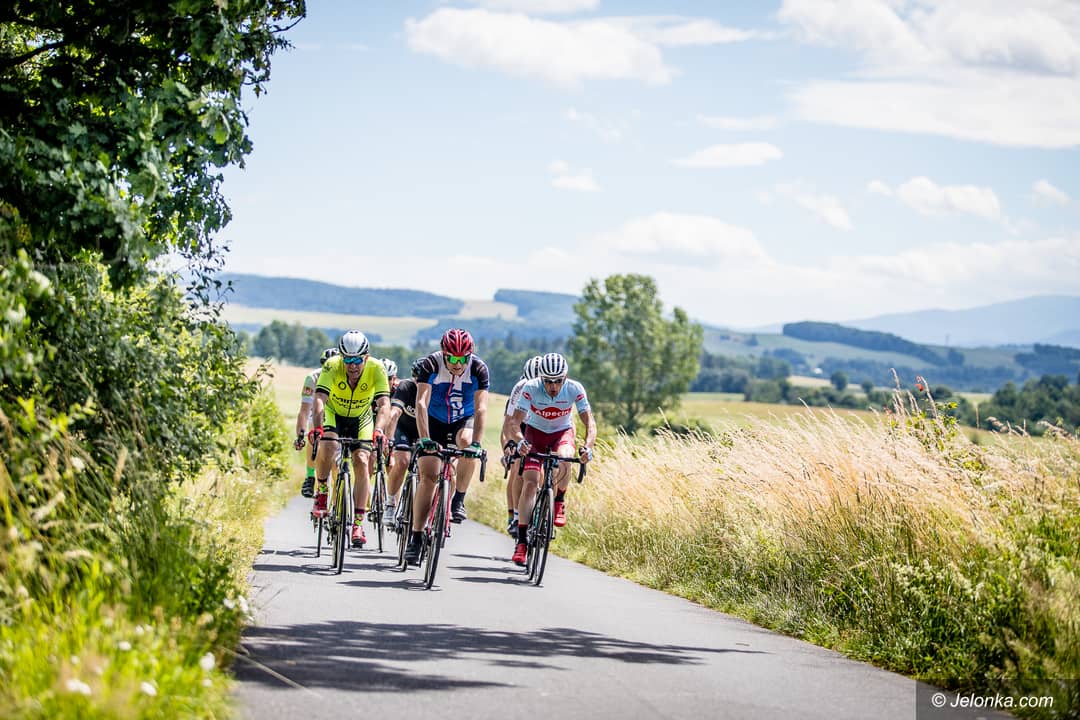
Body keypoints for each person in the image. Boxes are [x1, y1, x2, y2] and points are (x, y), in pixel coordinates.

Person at [403, 328, 489, 565]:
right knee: (429, 476)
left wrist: (477, 444)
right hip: (434, 420)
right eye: (452, 358)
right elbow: (421, 403)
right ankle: (416, 536)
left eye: (463, 358)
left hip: (463, 419)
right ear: (444, 354)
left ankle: (458, 499)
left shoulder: (479, 368)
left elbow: (481, 408)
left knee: (467, 444)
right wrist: (424, 439)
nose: (458, 364)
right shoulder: (431, 363)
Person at [503, 352, 596, 566]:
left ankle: (559, 500)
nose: (553, 386)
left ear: (566, 377)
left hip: (562, 433)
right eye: (548, 381)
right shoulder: (530, 388)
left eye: (558, 381)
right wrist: (520, 441)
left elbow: (590, 423)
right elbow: (514, 423)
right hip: (535, 434)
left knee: (565, 457)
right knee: (530, 483)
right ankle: (522, 542)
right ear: (541, 378)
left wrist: (588, 447)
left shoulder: (575, 388)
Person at [311, 330, 391, 548]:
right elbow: (320, 398)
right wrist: (317, 428)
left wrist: (379, 430)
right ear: (341, 357)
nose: (352, 366)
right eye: (347, 360)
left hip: (361, 417)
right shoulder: (332, 365)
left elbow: (384, 404)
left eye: (357, 360)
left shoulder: (377, 368)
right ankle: (322, 491)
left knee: (362, 461)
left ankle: (357, 523)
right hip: (333, 413)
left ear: (366, 357)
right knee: (328, 445)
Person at [499, 355, 543, 535]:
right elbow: (508, 425)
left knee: (548, 467)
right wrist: (508, 447)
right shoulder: (519, 389)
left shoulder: (553, 387)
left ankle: (543, 509)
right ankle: (515, 516)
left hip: (542, 426)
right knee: (518, 467)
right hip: (522, 425)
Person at [381, 358, 423, 527]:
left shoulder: (435, 390)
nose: (420, 383)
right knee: (402, 462)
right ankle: (391, 503)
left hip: (424, 433)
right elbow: (394, 414)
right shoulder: (405, 387)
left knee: (428, 470)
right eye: (417, 379)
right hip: (404, 430)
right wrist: (389, 441)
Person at [294, 347, 338, 498]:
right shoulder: (312, 378)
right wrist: (300, 435)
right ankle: (310, 476)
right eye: (327, 366)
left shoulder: (345, 377)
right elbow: (304, 411)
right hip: (318, 412)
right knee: (313, 433)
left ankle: (338, 500)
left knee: (337, 466)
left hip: (338, 414)